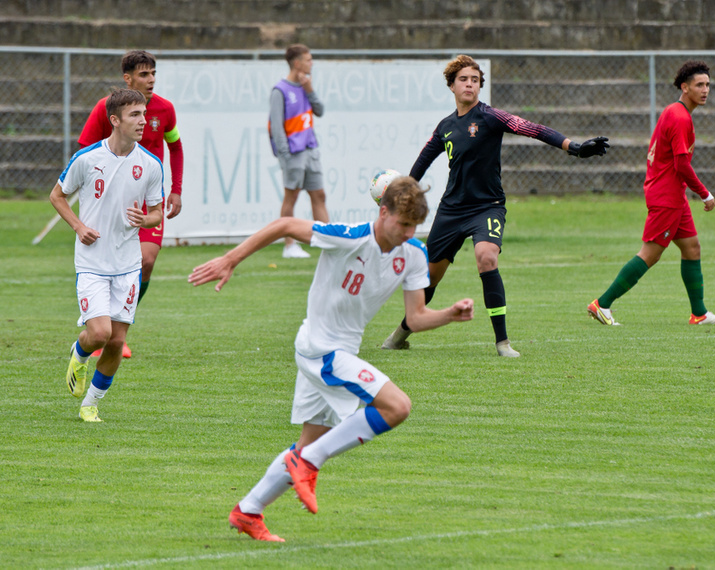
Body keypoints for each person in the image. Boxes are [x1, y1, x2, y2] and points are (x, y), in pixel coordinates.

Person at [188, 177, 473, 541]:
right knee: (397, 406)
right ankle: (307, 463)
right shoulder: (350, 236)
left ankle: (248, 511)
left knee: (308, 442)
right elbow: (285, 225)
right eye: (402, 223)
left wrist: (450, 313)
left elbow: (415, 318)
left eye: (414, 226)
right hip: (320, 348)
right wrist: (230, 259)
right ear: (383, 212)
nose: (407, 232)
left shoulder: (414, 254)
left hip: (338, 351)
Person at [381, 54, 609, 357]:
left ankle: (502, 342)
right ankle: (401, 333)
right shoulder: (445, 127)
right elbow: (422, 163)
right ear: (451, 85)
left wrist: (575, 147)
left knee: (486, 257)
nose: (470, 84)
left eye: (475, 80)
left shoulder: (490, 117)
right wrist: (401, 193)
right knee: (431, 277)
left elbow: (533, 128)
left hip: (487, 207)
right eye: (463, 79)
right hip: (451, 210)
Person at [586, 60, 715, 327]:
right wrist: (705, 193)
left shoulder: (676, 112)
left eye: (708, 85)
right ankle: (602, 304)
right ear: (684, 87)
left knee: (692, 248)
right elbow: (681, 164)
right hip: (666, 198)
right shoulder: (679, 117)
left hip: (672, 195)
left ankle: (699, 313)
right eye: (699, 85)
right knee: (650, 254)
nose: (705, 90)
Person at [51, 88, 164, 422]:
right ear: (115, 120)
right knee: (99, 334)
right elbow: (57, 196)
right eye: (135, 115)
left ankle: (90, 403)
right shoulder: (87, 159)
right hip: (92, 263)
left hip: (127, 265)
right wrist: (78, 226)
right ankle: (79, 351)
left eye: (144, 114)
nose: (143, 121)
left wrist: (147, 219)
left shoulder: (150, 164)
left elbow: (158, 212)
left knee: (116, 341)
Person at [78, 49, 184, 358]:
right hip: (111, 207)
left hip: (149, 204)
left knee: (146, 261)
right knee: (109, 267)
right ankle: (103, 331)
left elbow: (175, 147)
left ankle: (118, 331)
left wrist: (175, 190)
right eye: (143, 74)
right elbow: (85, 149)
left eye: (153, 74)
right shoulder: (104, 108)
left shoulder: (165, 109)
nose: (150, 80)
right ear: (127, 78)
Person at [270, 43, 330, 259]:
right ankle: (289, 245)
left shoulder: (306, 86)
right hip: (293, 154)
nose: (311, 63)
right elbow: (277, 127)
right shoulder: (280, 90)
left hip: (310, 150)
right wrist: (285, 156)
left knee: (319, 195)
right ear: (297, 63)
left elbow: (320, 111)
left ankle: (328, 243)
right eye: (308, 59)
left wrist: (310, 90)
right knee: (291, 197)